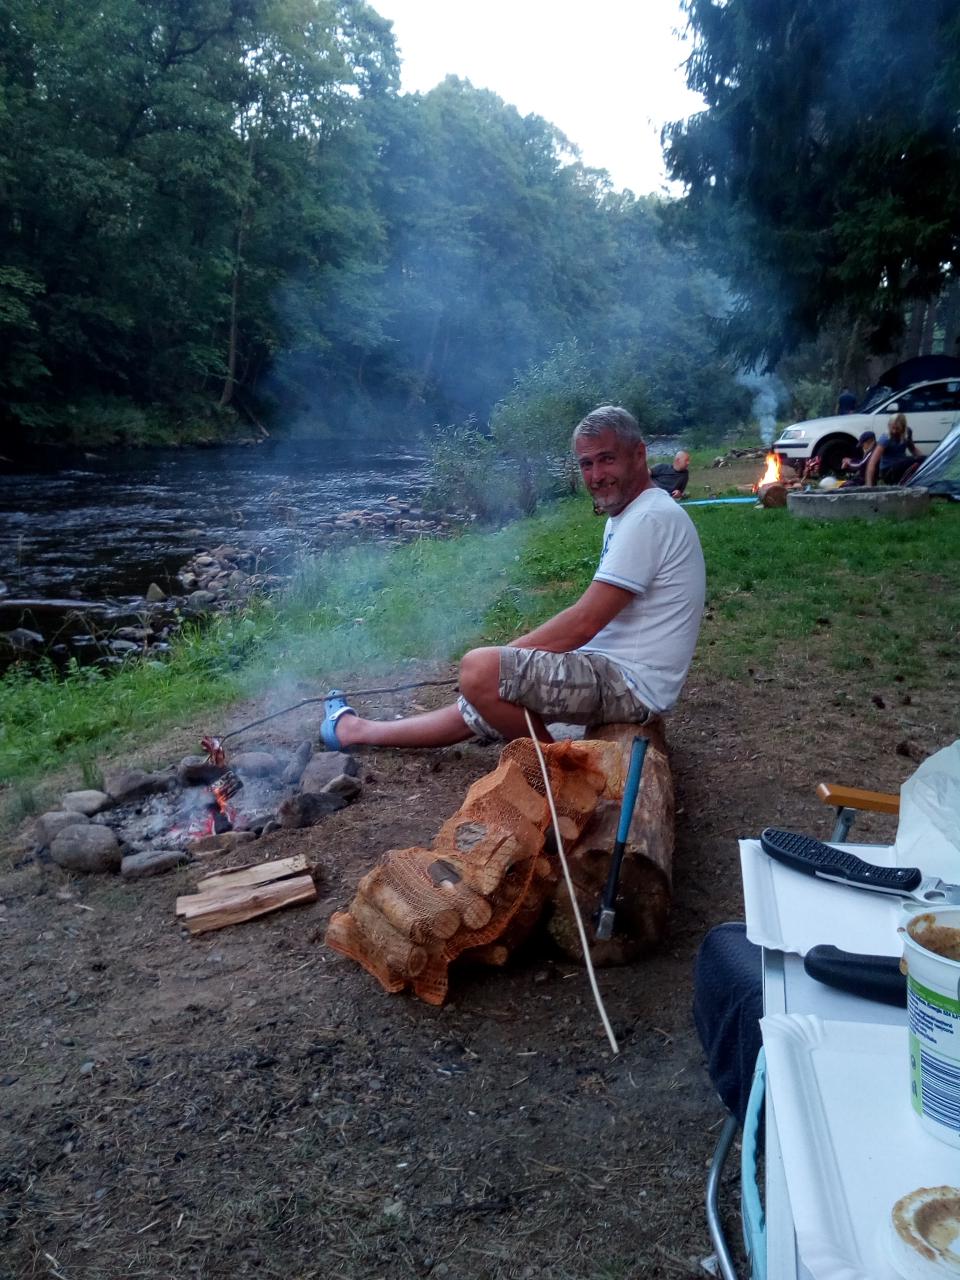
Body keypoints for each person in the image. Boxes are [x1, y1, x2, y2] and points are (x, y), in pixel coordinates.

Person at [322, 405, 707, 750]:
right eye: (586, 464)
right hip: (616, 670)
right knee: (482, 694)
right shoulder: (634, 513)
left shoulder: (648, 519)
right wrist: (504, 669)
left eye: (607, 459)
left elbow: (584, 622)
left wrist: (505, 661)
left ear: (638, 454)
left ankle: (562, 774)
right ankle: (357, 731)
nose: (596, 475)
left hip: (630, 685)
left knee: (481, 671)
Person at [865, 413, 923, 486]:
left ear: (903, 427)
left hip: (901, 465)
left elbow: (913, 449)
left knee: (922, 459)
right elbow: (872, 463)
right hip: (888, 470)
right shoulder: (885, 438)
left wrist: (925, 460)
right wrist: (869, 485)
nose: (894, 431)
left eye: (897, 429)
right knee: (906, 462)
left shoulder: (907, 433)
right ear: (889, 426)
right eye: (892, 428)